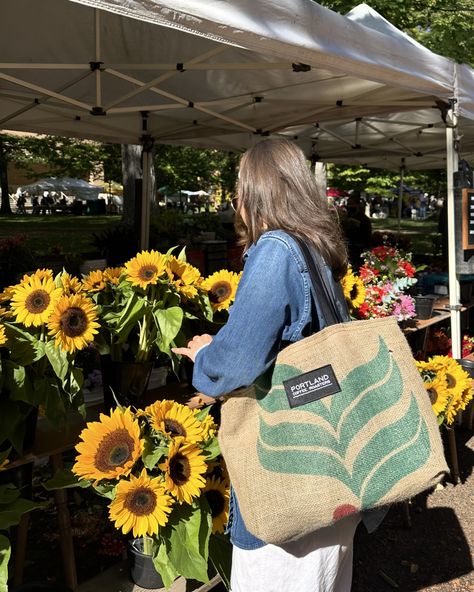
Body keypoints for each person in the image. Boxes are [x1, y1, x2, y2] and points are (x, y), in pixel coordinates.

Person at [173, 139, 363, 592]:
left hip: (288, 479)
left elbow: (235, 363)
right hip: (331, 470)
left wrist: (204, 356)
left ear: (253, 192)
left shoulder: (276, 249)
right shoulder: (317, 246)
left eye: (239, 188)